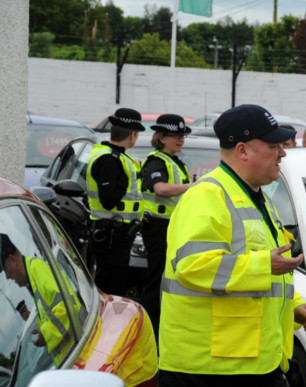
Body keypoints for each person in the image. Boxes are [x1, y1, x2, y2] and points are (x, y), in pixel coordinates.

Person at [158, 103, 306, 387]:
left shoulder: (255, 197)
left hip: (252, 369)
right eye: (273, 146)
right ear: (243, 150)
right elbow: (192, 267)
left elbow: (264, 274)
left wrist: (293, 306)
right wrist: (265, 265)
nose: (282, 155)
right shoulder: (207, 197)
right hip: (208, 375)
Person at [140, 114, 193, 339]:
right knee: (157, 279)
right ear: (161, 138)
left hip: (171, 227)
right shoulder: (156, 161)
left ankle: (162, 323)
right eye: (175, 136)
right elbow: (160, 188)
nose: (180, 140)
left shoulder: (175, 162)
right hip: (158, 228)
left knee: (166, 277)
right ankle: (150, 328)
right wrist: (193, 186)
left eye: (182, 136)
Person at [86, 107, 145, 297]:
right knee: (110, 291)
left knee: (112, 287)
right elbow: (108, 200)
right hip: (111, 237)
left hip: (115, 236)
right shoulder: (109, 160)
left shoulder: (116, 157)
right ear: (133, 134)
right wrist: (123, 181)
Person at [0, 233, 80, 366]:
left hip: (81, 356)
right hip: (76, 358)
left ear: (13, 260)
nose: (7, 277)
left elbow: (68, 307)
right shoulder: (33, 276)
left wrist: (46, 333)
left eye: (5, 270)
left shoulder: (37, 269)